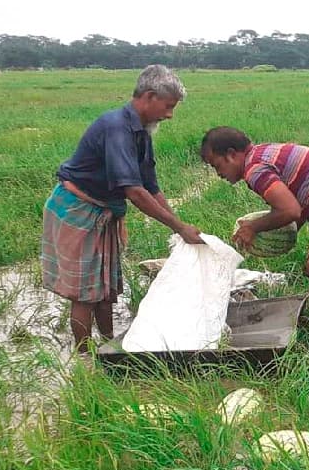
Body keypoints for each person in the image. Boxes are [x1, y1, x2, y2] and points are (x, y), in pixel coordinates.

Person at [42, 64, 204, 352]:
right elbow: (135, 192)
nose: (169, 114)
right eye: (168, 107)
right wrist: (178, 227)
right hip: (79, 208)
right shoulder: (116, 127)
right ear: (149, 96)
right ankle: (84, 356)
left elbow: (151, 186)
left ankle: (108, 347)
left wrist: (180, 226)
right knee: (85, 294)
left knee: (105, 289)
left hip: (104, 210)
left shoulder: (141, 132)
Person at [200, 127, 309, 356]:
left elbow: (290, 210)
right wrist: (288, 234)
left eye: (217, 166)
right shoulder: (263, 154)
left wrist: (253, 228)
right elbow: (299, 198)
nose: (218, 174)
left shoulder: (255, 171)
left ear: (232, 154)